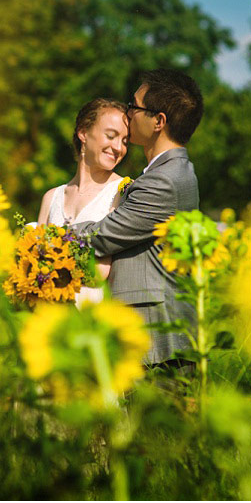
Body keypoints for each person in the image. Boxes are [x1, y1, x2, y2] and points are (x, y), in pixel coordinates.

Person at [72, 69, 203, 368]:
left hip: (159, 343)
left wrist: (44, 237)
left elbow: (104, 236)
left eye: (135, 106)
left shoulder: (165, 181)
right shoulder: (163, 173)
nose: (128, 114)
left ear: (158, 121)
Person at [37, 98, 129, 307]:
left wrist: (47, 261)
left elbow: (99, 272)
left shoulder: (121, 191)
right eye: (111, 136)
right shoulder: (51, 197)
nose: (118, 147)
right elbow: (34, 264)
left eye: (125, 141)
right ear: (84, 133)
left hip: (91, 319)